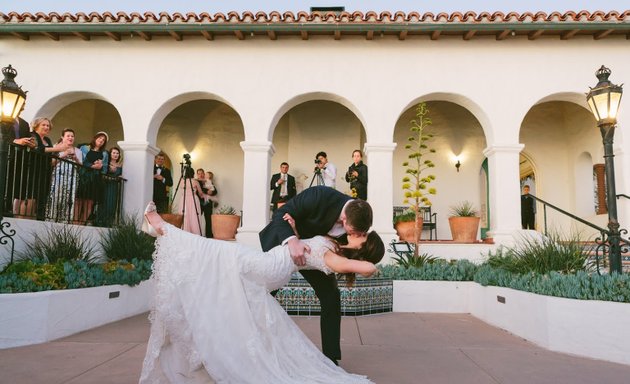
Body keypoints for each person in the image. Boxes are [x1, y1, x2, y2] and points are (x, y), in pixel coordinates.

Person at [140, 202, 382, 383]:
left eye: (363, 238)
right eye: (361, 232)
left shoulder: (336, 259)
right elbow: (306, 249)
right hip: (273, 261)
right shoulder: (334, 243)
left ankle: (163, 227)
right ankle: (163, 229)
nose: (359, 234)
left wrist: (365, 260)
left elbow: (368, 268)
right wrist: (295, 232)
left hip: (270, 266)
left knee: (215, 252)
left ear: (363, 249)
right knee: (218, 263)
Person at [259, 185, 373, 365]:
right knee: (265, 295)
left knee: (331, 297)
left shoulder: (355, 220)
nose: (355, 235)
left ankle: (331, 358)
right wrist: (293, 240)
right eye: (353, 232)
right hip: (283, 247)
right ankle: (256, 345)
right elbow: (280, 214)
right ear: (344, 218)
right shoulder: (319, 195)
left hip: (314, 256)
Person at [30, 118, 66, 220]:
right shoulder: (32, 135)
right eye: (44, 125)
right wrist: (57, 148)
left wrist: (60, 155)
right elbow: (38, 149)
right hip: (33, 169)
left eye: (48, 126)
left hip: (45, 170)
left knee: (42, 195)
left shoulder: (48, 140)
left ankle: (39, 218)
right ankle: (26, 217)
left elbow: (51, 157)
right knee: (31, 194)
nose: (46, 127)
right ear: (36, 125)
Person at [46, 129, 83, 223]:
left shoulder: (78, 151)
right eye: (68, 136)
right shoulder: (56, 147)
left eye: (72, 136)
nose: (70, 138)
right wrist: (64, 154)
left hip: (72, 178)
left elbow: (81, 167)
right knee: (55, 197)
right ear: (63, 137)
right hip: (58, 176)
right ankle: (51, 219)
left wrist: (76, 159)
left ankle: (66, 221)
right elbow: (52, 163)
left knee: (69, 200)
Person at [77, 132, 109, 224]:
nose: (101, 141)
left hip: (95, 179)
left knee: (90, 202)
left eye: (103, 140)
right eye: (100, 138)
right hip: (83, 177)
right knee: (79, 200)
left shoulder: (105, 153)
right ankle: (75, 222)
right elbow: (81, 161)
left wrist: (101, 167)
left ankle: (82, 223)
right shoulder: (84, 148)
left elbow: (105, 168)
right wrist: (92, 166)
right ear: (95, 138)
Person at [172, 167, 205, 236]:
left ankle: (184, 233)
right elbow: (201, 193)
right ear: (193, 173)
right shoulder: (195, 181)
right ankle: (195, 233)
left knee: (185, 215)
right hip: (193, 200)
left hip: (184, 199)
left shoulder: (181, 181)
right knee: (194, 216)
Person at [101, 146, 123, 226]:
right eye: (113, 153)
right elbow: (102, 174)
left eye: (117, 153)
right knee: (104, 203)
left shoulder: (120, 165)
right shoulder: (106, 163)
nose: (115, 155)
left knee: (112, 204)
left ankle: (109, 223)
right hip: (105, 185)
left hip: (114, 187)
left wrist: (119, 177)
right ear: (110, 154)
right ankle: (101, 222)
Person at [195, 168, 217, 238]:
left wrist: (212, 192)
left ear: (204, 174)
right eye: (199, 173)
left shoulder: (207, 181)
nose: (201, 175)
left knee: (208, 219)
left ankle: (209, 235)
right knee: (197, 218)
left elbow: (215, 191)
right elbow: (199, 190)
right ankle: (196, 234)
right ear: (197, 175)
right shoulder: (196, 181)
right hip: (200, 203)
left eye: (202, 173)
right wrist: (207, 191)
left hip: (208, 203)